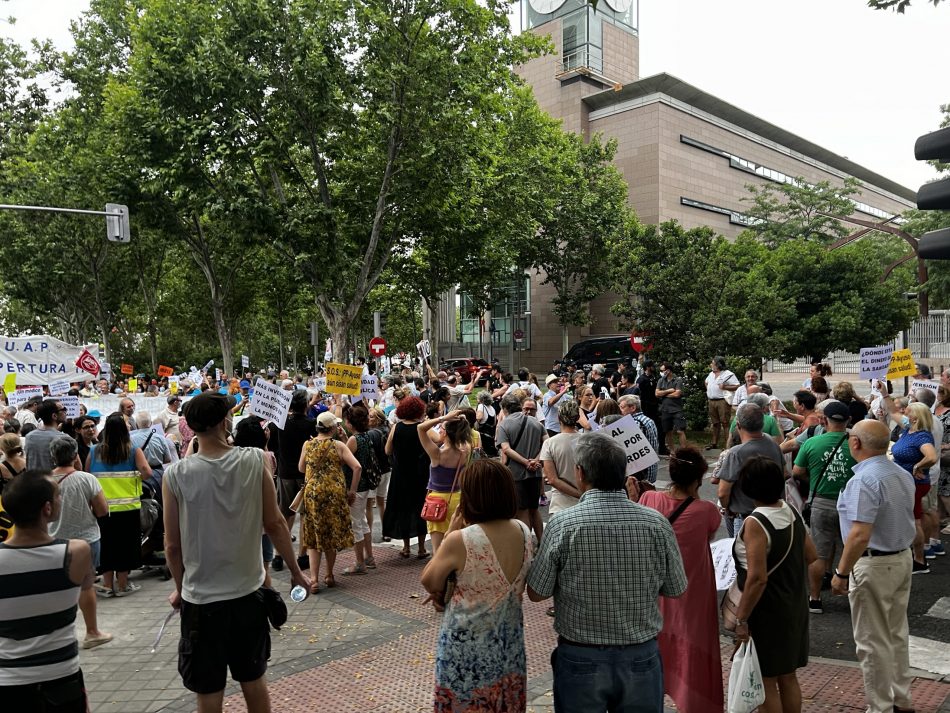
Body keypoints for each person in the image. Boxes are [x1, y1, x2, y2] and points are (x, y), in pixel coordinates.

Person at [163, 391, 310, 713]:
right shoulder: (254, 460)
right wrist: (297, 573)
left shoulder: (175, 474)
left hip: (200, 601)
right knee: (253, 681)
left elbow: (172, 545)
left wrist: (180, 588)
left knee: (208, 691)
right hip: (248, 595)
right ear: (223, 421)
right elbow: (274, 523)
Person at [526, 432, 687, 713]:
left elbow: (537, 592)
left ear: (580, 473)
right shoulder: (655, 523)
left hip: (580, 655)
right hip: (640, 653)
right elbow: (676, 587)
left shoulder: (563, 524)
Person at [421, 460, 534, 712]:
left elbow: (429, 580)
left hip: (466, 653)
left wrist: (449, 533)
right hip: (509, 649)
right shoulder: (524, 531)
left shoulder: (461, 539)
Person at [831, 419, 916, 713]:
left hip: (874, 563)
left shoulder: (863, 481)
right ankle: (901, 699)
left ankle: (880, 707)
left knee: (871, 641)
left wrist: (841, 572)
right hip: (900, 557)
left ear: (856, 443)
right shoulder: (900, 474)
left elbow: (859, 534)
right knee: (895, 633)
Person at [0, 470, 94, 712]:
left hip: (9, 680)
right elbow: (87, 586)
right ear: (47, 509)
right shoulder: (76, 552)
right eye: (58, 495)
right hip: (62, 675)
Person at [638, 446, 722, 713]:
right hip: (691, 592)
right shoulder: (707, 511)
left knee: (655, 644)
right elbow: (708, 534)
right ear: (698, 478)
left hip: (655, 591)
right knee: (692, 649)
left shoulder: (649, 499)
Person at [731, 456, 815, 713]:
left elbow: (758, 577)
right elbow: (811, 555)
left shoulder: (755, 523)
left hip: (766, 609)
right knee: (787, 676)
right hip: (794, 604)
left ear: (748, 489)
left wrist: (742, 619)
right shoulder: (790, 509)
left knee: (765, 679)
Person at [48, 435, 113, 649]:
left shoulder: (44, 482)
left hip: (53, 540)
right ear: (75, 455)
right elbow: (102, 510)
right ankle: (92, 632)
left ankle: (57, 637)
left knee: (57, 588)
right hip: (86, 540)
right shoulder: (87, 479)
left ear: (53, 456)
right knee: (86, 586)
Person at [791, 400, 855, 614]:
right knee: (853, 551)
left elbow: (797, 472)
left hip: (821, 502)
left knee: (818, 554)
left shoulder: (812, 443)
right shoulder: (857, 444)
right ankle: (853, 596)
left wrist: (815, 479)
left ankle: (815, 598)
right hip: (851, 504)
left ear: (824, 420)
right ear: (849, 421)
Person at [86, 413, 152, 597]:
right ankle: (122, 585)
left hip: (102, 508)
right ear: (124, 430)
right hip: (128, 507)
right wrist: (135, 478)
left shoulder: (94, 451)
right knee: (125, 545)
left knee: (106, 545)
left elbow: (87, 474)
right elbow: (146, 472)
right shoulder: (133, 450)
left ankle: (107, 586)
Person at [298, 411, 359, 591]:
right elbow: (357, 467)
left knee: (314, 537)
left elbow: (301, 468)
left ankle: (314, 579)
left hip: (313, 494)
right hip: (334, 493)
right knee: (331, 535)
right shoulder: (338, 445)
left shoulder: (308, 444)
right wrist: (352, 491)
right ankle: (329, 575)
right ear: (333, 427)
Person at [717, 403, 785, 536]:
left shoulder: (735, 453)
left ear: (738, 425)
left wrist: (727, 509)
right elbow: (785, 474)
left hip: (746, 517)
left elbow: (723, 493)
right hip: (774, 513)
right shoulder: (773, 443)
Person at [268, 390, 316, 572]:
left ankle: (278, 556)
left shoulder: (279, 425)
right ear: (305, 405)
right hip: (305, 474)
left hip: (285, 474)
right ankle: (302, 556)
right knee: (305, 515)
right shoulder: (311, 424)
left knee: (285, 515)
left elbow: (271, 445)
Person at [891, 402, 937, 574]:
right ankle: (917, 557)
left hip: (913, 484)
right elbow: (893, 411)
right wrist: (884, 394)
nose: (904, 412)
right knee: (913, 519)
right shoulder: (909, 429)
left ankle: (919, 560)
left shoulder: (921, 436)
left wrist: (918, 466)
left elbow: (932, 456)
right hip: (908, 483)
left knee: (914, 521)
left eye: (907, 411)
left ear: (915, 417)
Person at [382, 396, 431, 558]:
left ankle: (406, 547)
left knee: (403, 508)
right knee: (420, 507)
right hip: (419, 473)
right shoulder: (422, 427)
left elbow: (388, 450)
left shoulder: (396, 427)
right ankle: (422, 548)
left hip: (400, 473)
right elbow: (437, 440)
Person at [419, 409, 473, 555]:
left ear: (445, 433)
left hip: (437, 501)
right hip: (457, 498)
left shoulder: (437, 454)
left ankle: (439, 575)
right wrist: (460, 421)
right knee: (457, 546)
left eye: (441, 429)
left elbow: (420, 428)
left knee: (438, 549)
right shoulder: (465, 450)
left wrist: (443, 418)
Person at [496, 394, 546, 542]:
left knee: (522, 510)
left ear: (505, 409)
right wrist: (535, 460)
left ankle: (526, 545)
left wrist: (525, 462)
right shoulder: (535, 422)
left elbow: (506, 449)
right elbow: (547, 442)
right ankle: (542, 542)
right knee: (534, 509)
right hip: (536, 472)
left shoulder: (504, 425)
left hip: (516, 474)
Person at [341, 403, 379, 575]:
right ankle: (369, 557)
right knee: (362, 522)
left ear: (350, 423)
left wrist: (352, 490)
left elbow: (345, 460)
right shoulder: (366, 436)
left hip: (356, 486)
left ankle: (359, 562)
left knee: (356, 524)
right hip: (366, 486)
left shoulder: (353, 439)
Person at [540, 400, 582, 514]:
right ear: (577, 417)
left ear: (559, 418)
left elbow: (552, 479)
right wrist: (582, 494)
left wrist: (579, 494)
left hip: (561, 504)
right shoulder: (588, 440)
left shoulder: (550, 443)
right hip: (584, 503)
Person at [617, 394, 659, 483]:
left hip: (640, 474)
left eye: (622, 407)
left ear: (632, 408)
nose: (619, 411)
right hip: (651, 469)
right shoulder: (648, 420)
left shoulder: (635, 423)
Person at [705, 356, 739, 450]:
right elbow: (706, 382)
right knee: (715, 423)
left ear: (718, 364)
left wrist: (725, 387)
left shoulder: (728, 374)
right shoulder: (711, 374)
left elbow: (736, 385)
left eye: (713, 363)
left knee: (725, 423)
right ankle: (714, 443)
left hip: (722, 401)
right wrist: (710, 390)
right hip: (712, 401)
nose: (711, 365)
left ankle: (728, 445)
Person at [23, 398, 66, 471]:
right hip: (53, 481)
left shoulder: (29, 436)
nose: (66, 412)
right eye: (63, 409)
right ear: (54, 416)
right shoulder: (64, 439)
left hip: (33, 480)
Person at [656, 361, 687, 452]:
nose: (661, 372)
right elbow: (657, 393)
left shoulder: (678, 380)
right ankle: (672, 452)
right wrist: (669, 391)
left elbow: (677, 394)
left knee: (680, 431)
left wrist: (663, 394)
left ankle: (684, 452)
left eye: (662, 370)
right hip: (665, 410)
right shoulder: (661, 380)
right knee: (668, 432)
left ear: (668, 371)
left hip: (677, 409)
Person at [474, 390, 498, 458]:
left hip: (483, 436)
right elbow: (494, 422)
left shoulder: (481, 406)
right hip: (490, 436)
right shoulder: (492, 407)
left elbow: (479, 418)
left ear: (481, 399)